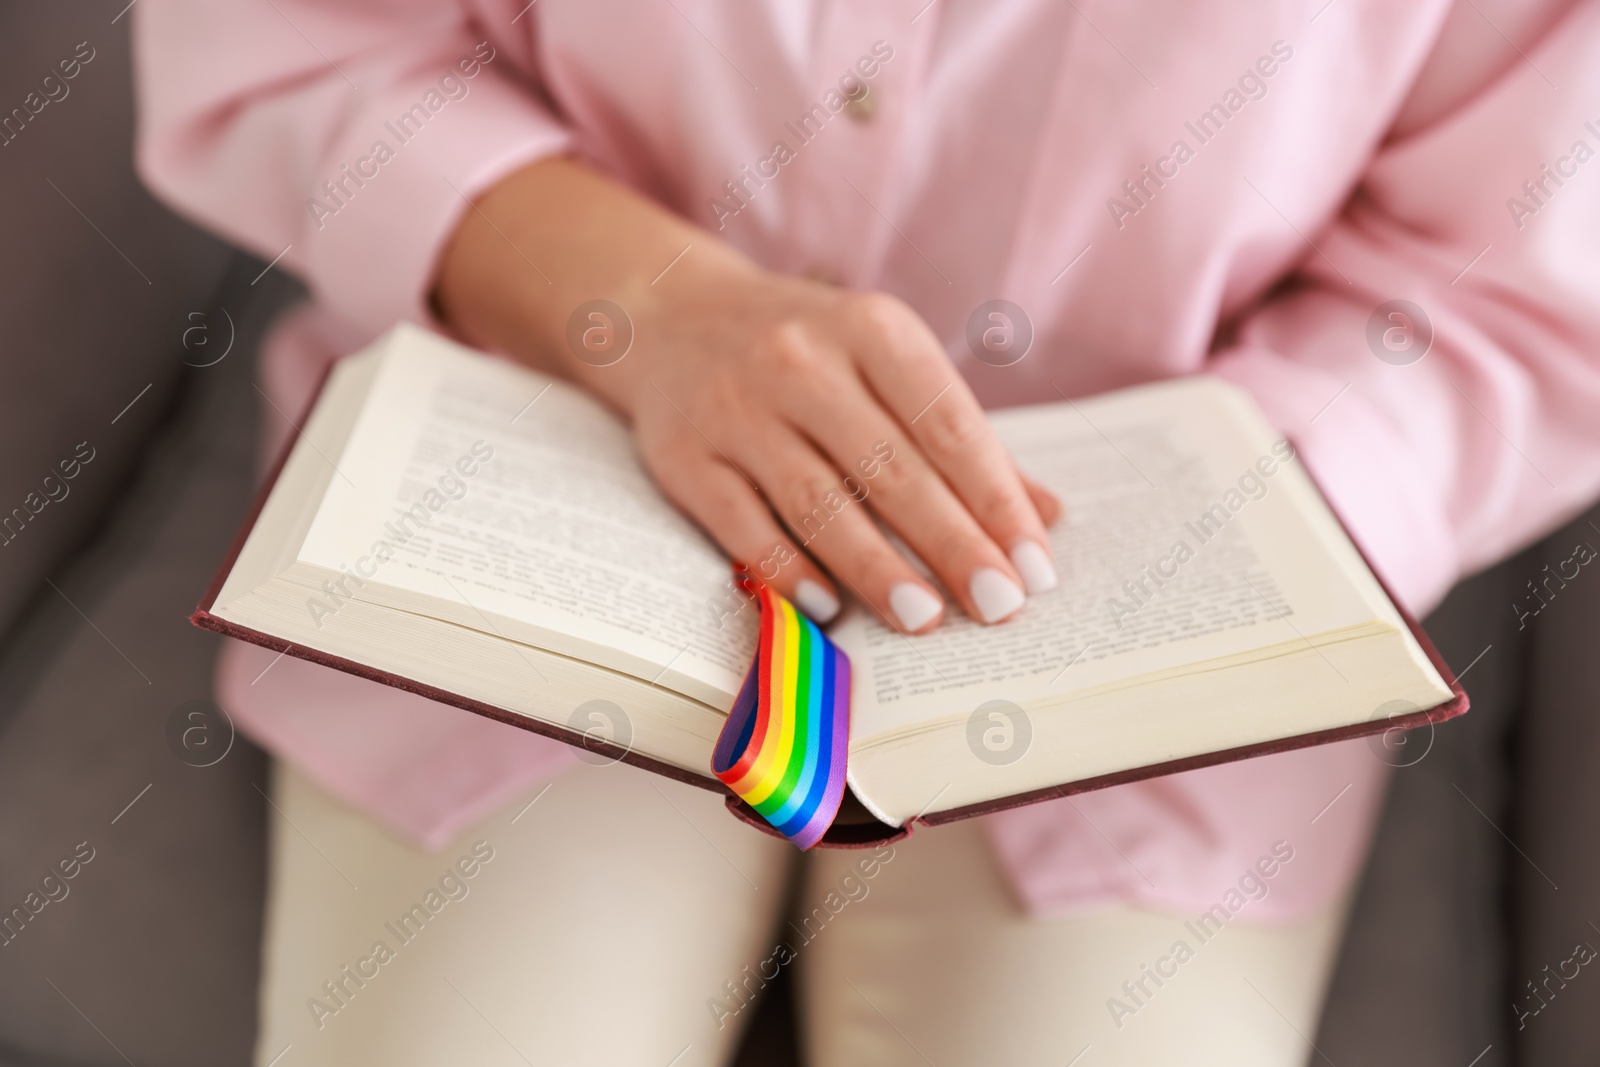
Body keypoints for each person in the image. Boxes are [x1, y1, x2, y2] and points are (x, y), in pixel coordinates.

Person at [133, 1, 1600, 1063]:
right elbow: (290, 43)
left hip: (1124, 654)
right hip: (548, 497)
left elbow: (1518, 289)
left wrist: (1212, 545)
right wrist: (648, 307)